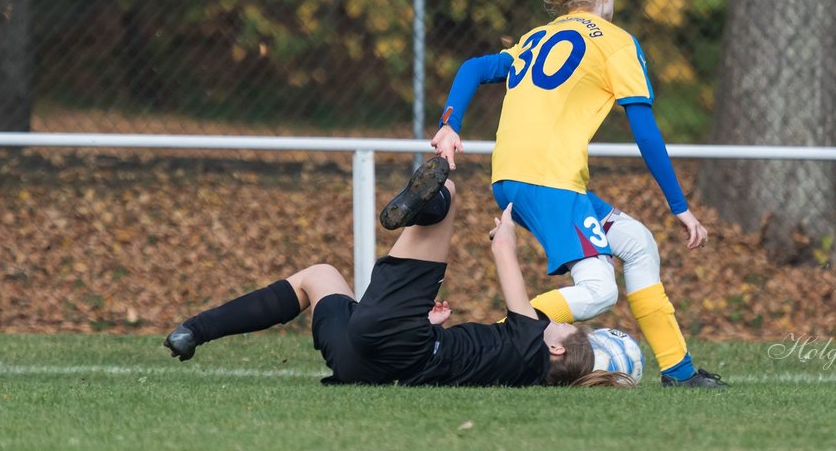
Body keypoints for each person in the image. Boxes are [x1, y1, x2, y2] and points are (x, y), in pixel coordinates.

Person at [430, 0, 725, 388]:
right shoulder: (616, 41)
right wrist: (680, 205)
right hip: (549, 180)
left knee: (634, 243)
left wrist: (450, 123)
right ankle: (498, 343)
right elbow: (646, 130)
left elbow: (474, 67)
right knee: (598, 289)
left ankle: (680, 371)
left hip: (517, 177)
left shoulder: (535, 37)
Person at [163, 158, 636, 388]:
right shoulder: (526, 375)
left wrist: (506, 229)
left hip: (398, 341)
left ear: (555, 346)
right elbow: (463, 361)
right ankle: (190, 333)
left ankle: (425, 205)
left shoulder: (530, 341)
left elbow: (508, 266)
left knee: (447, 187)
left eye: (563, 326)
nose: (554, 318)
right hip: (362, 365)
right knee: (321, 276)